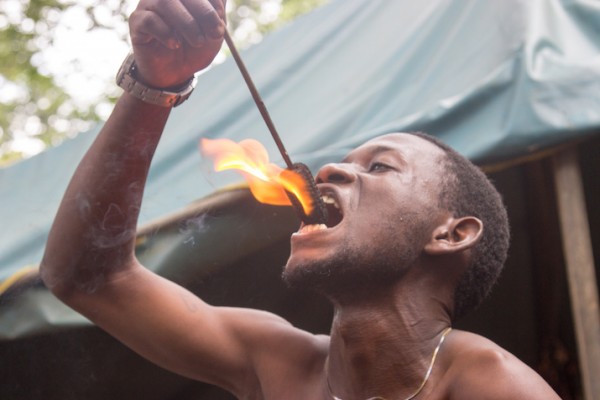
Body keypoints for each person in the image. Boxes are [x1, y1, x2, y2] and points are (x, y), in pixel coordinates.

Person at [40, 1, 560, 399]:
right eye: (348, 162)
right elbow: (89, 276)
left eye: (378, 166)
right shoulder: (278, 362)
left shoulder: (492, 385)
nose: (334, 169)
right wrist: (153, 85)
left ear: (451, 234)